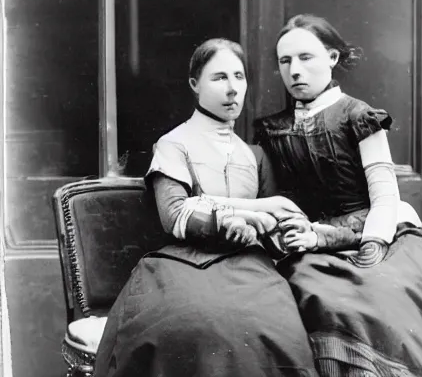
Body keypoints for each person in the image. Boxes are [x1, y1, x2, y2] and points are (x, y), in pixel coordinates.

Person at [255, 14, 422, 377]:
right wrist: (302, 233)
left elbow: (385, 199)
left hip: (378, 234)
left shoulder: (359, 116)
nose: (295, 70)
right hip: (309, 245)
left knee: (383, 297)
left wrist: (367, 243)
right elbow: (279, 198)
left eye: (306, 57)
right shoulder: (274, 129)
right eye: (285, 61)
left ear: (331, 57)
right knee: (315, 299)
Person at [93, 38, 318, 377]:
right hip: (182, 264)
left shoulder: (254, 155)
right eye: (220, 78)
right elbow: (174, 215)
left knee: (274, 327)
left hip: (249, 267)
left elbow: (272, 224)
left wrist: (281, 229)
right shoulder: (173, 144)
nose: (233, 89)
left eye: (239, 77)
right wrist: (237, 218)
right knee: (196, 323)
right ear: (194, 85)